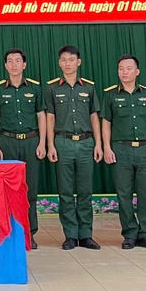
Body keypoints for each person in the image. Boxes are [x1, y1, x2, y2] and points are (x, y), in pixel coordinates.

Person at [0, 48, 46, 249]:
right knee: (8, 189)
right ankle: (9, 230)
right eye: (10, 61)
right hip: (7, 142)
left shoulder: (35, 88)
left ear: (24, 64)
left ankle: (30, 232)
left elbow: (41, 116)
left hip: (31, 141)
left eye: (18, 61)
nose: (14, 64)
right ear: (5, 65)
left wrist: (42, 142)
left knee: (30, 189)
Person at [101, 54, 146, 250]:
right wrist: (107, 147)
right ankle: (129, 234)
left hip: (145, 149)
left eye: (128, 68)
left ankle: (145, 234)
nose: (124, 72)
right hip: (121, 149)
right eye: (121, 68)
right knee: (124, 194)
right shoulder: (110, 95)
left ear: (137, 71)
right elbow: (106, 123)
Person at [45, 46, 102, 250]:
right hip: (63, 142)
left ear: (78, 62)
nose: (67, 63)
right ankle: (70, 235)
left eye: (71, 59)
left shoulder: (89, 87)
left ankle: (86, 235)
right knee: (66, 191)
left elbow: (94, 116)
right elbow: (50, 118)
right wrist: (50, 145)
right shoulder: (52, 88)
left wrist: (98, 144)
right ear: (59, 63)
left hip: (86, 143)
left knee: (85, 191)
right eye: (63, 60)